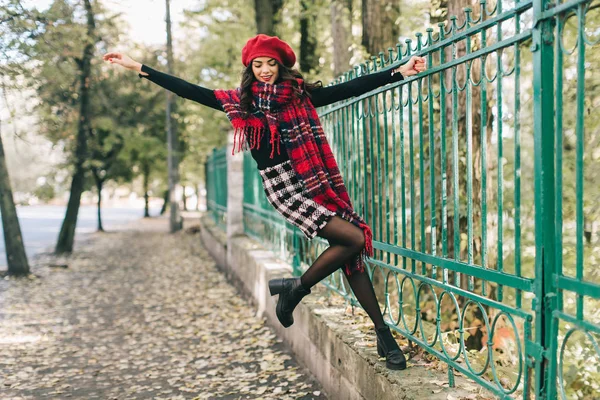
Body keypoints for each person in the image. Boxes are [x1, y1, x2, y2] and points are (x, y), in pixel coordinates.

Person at [103, 34, 426, 370]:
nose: (265, 70)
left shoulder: (300, 95)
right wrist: (138, 67)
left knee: (352, 250)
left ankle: (380, 333)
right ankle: (296, 290)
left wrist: (399, 71)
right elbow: (189, 89)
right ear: (250, 67)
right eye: (258, 64)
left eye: (271, 63)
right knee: (354, 237)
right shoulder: (241, 102)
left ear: (280, 65)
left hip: (315, 181)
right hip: (284, 187)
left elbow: (348, 88)